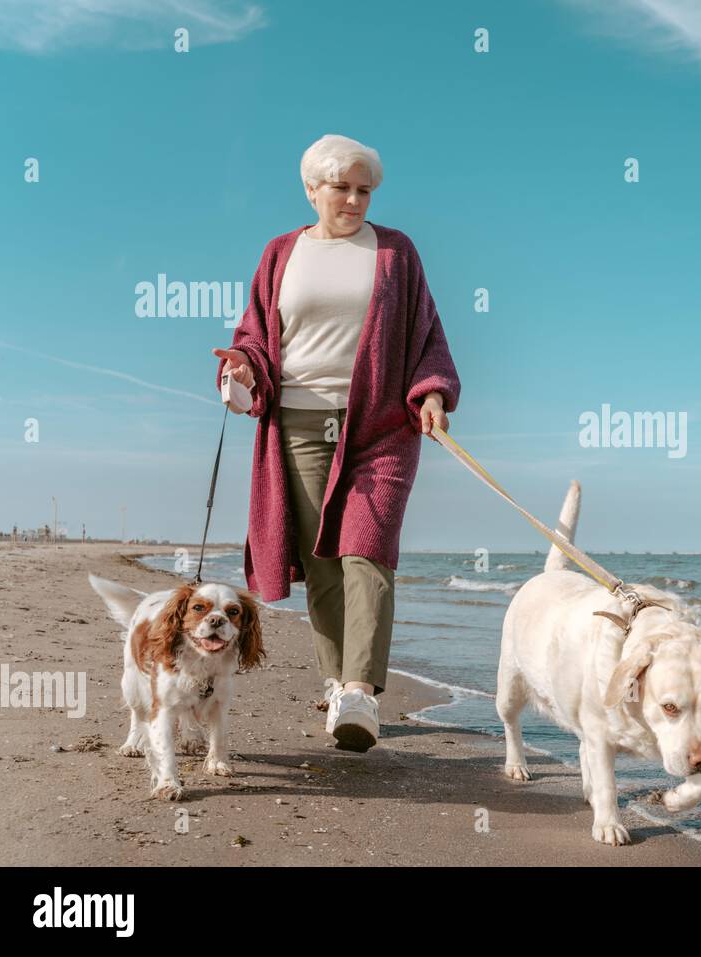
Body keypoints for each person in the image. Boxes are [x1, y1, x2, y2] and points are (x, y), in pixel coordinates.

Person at [213, 133, 461, 752]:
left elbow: (426, 332)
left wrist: (431, 391)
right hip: (298, 423)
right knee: (322, 559)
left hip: (378, 426)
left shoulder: (396, 254)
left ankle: (360, 693)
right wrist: (244, 367)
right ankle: (334, 681)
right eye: (341, 188)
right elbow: (257, 335)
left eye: (364, 190)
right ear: (312, 189)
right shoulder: (280, 253)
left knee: (367, 551)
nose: (354, 200)